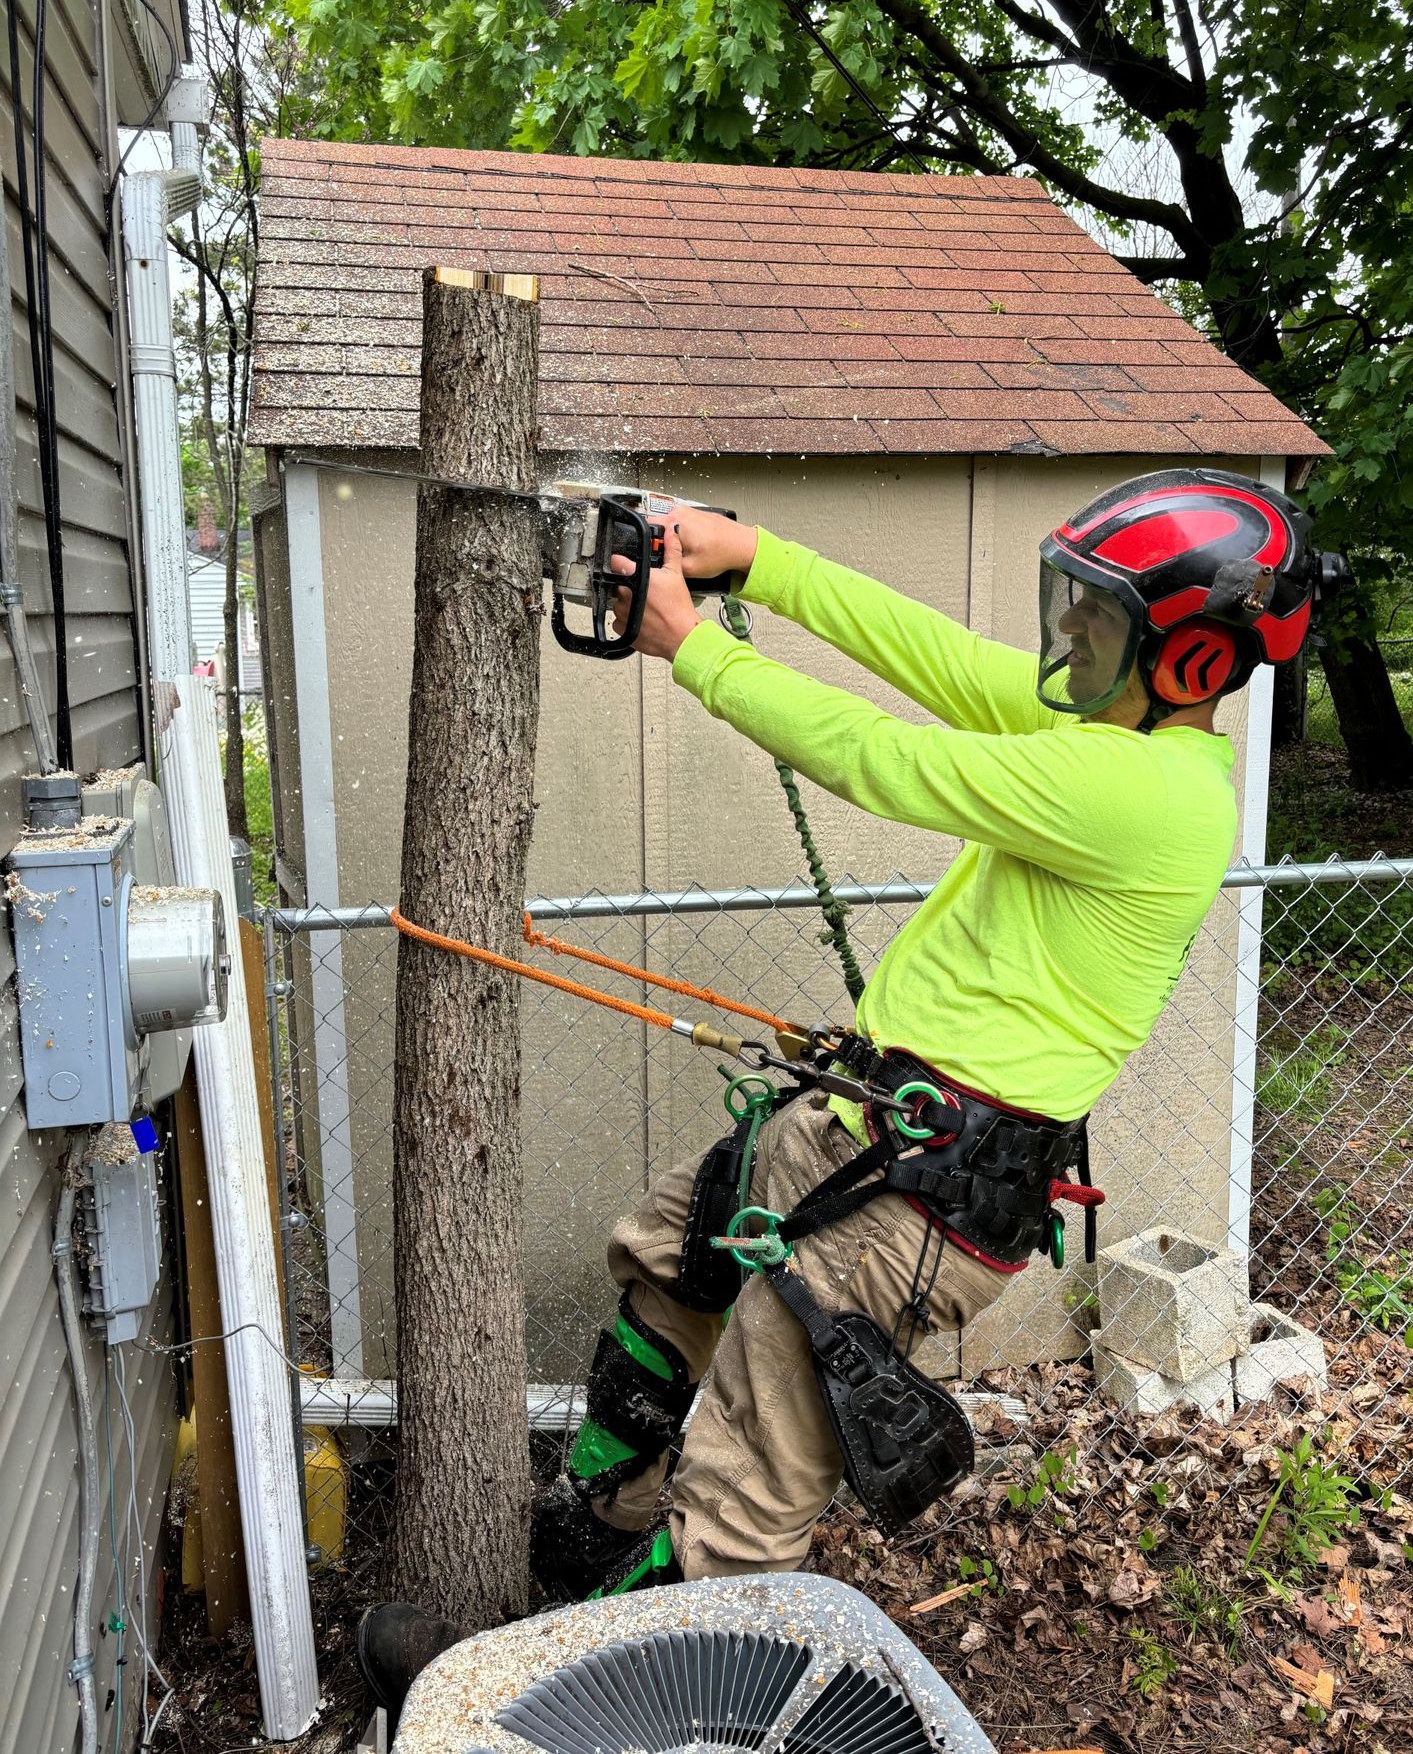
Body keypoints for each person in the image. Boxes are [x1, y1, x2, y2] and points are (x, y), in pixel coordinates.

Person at [358, 467, 1327, 1717]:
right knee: (669, 1256)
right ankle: (598, 1542)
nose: (1061, 639)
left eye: (1096, 623)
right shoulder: (1110, 727)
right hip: (858, 1133)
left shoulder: (1150, 793)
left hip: (910, 1209)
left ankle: (575, 1706)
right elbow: (931, 657)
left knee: (750, 1489)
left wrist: (693, 647)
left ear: (1190, 664)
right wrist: (755, 554)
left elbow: (883, 761)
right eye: (1066, 605)